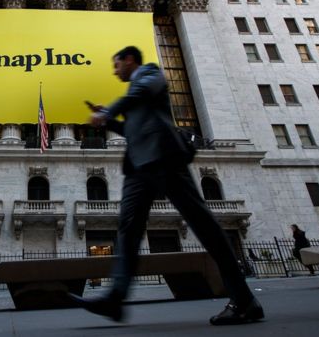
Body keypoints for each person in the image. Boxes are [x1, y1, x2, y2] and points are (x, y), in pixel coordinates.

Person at [69, 46, 264, 325]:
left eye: (117, 65)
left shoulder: (150, 75)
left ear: (129, 60)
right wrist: (108, 120)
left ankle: (244, 300)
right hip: (138, 167)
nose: (115, 71)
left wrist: (110, 109)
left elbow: (138, 95)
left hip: (164, 160)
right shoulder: (136, 96)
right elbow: (131, 129)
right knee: (128, 228)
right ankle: (115, 299)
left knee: (204, 227)